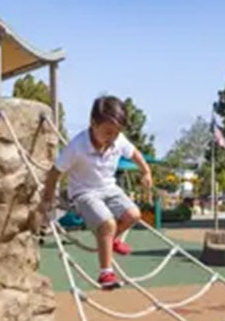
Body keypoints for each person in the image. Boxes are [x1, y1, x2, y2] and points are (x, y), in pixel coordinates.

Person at [39, 96, 153, 290]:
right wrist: (48, 198)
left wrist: (146, 171)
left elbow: (134, 153)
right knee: (107, 223)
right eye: (108, 132)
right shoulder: (77, 146)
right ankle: (105, 272)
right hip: (84, 193)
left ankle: (112, 240)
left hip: (110, 188)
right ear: (93, 123)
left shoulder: (118, 141)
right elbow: (55, 171)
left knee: (134, 215)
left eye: (117, 133)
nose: (112, 138)